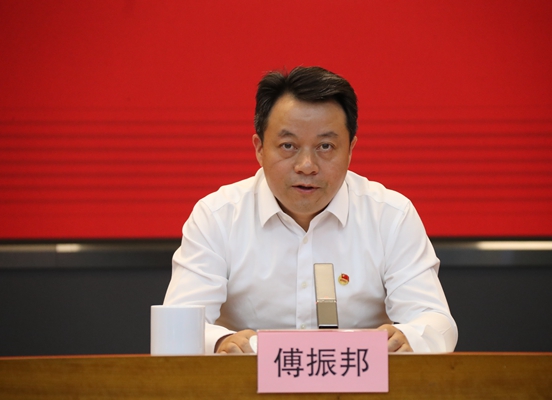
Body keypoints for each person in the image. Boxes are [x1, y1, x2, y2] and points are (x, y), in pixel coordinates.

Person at [164, 66, 458, 354]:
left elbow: (436, 322)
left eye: (325, 146)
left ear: (351, 150)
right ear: (259, 148)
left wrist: (407, 338)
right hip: (246, 381)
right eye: (288, 145)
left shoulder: (390, 216)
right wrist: (220, 342)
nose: (307, 166)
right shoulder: (217, 217)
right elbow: (177, 325)